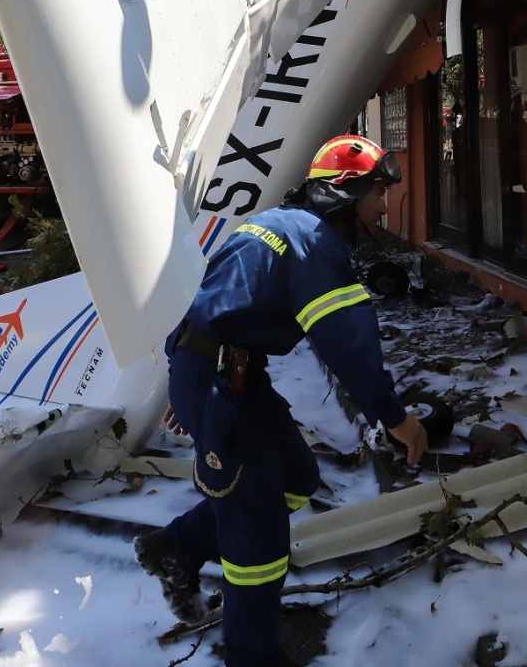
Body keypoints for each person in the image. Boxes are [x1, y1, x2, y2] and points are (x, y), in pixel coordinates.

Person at [134, 134, 427, 667]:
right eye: (377, 193)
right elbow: (348, 343)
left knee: (295, 476)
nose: (384, 207)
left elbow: (207, 294)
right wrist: (395, 417)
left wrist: (187, 372)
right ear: (347, 192)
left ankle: (177, 548)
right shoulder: (318, 244)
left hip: (222, 374)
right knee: (259, 530)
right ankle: (252, 656)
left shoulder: (278, 223)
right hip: (221, 383)